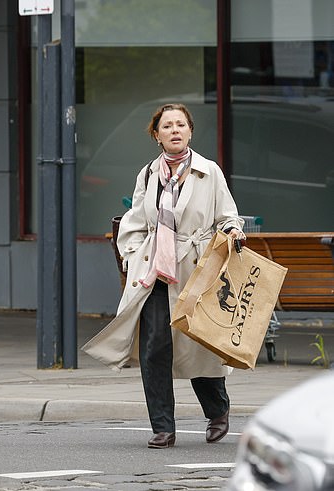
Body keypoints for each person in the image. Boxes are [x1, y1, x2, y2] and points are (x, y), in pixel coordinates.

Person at [83, 103, 245, 449]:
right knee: (154, 347)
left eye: (180, 125)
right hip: (157, 272)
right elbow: (135, 222)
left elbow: (228, 216)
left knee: (200, 344)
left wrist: (232, 232)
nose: (174, 130)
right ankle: (162, 427)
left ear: (190, 131)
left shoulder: (209, 171)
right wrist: (134, 257)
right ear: (156, 135)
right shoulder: (148, 174)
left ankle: (217, 410)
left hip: (198, 272)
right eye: (167, 126)